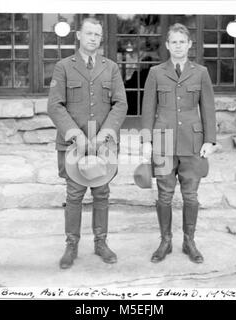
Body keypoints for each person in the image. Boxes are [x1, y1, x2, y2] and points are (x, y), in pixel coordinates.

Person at [47, 17, 128, 269]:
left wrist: (105, 133)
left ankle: (101, 242)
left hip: (103, 143)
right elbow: (55, 105)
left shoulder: (111, 67)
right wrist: (77, 135)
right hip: (74, 144)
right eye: (89, 33)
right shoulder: (63, 66)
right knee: (74, 195)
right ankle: (71, 245)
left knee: (102, 192)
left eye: (97, 34)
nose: (93, 38)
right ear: (79, 36)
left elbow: (121, 103)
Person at [141, 23, 216, 264]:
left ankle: (189, 241)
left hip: (193, 143)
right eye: (173, 42)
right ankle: (165, 241)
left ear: (189, 45)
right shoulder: (155, 72)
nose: (178, 46)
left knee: (191, 196)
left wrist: (210, 140)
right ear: (167, 45)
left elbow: (208, 108)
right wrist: (146, 140)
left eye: (182, 42)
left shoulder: (201, 72)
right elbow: (148, 108)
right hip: (163, 141)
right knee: (164, 196)